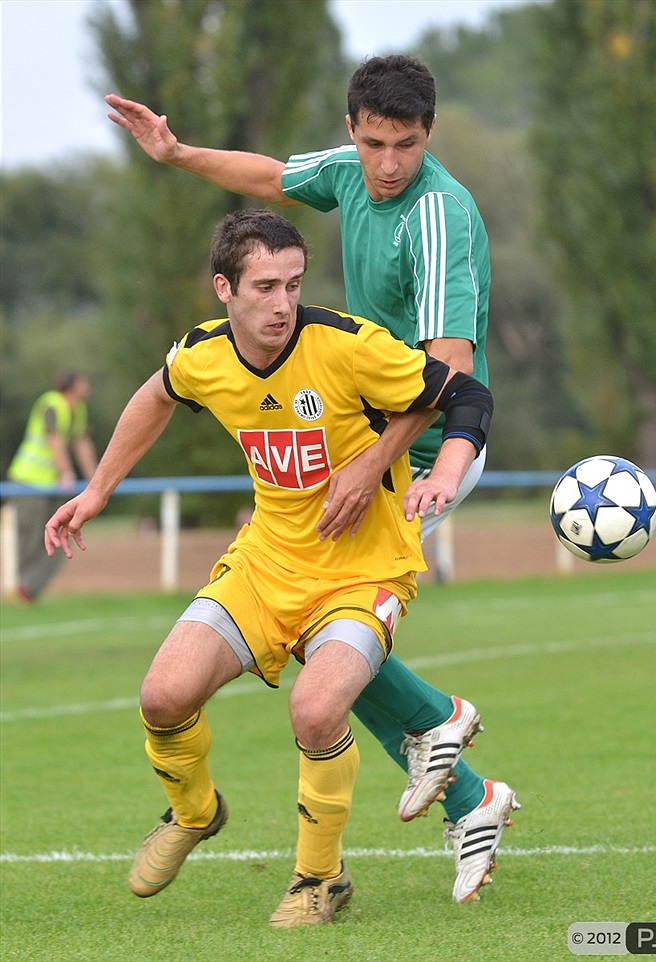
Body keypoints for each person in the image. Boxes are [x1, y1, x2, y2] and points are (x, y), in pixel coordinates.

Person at [105, 54, 519, 903]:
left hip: (423, 440)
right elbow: (271, 175)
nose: (389, 164)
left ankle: (444, 738)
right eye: (374, 144)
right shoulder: (351, 174)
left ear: (428, 137)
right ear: (353, 133)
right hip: (360, 438)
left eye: (406, 145)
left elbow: (451, 370)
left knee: (325, 619)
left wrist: (383, 464)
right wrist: (178, 154)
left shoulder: (437, 213)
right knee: (316, 623)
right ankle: (470, 794)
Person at [44, 209, 494, 927]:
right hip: (265, 563)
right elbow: (155, 395)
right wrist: (96, 490)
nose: (282, 303)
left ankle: (320, 878)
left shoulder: (347, 345)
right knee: (162, 696)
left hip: (362, 570)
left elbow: (465, 393)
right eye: (263, 287)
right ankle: (194, 813)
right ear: (225, 288)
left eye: (292, 284)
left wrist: (426, 469)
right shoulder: (203, 355)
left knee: (316, 710)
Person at [6, 371, 97, 602]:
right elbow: (53, 439)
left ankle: (28, 591)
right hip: (29, 481)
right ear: (73, 385)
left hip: (55, 485)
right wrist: (67, 472)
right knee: (30, 538)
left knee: (63, 535)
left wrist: (98, 480)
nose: (88, 386)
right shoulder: (51, 403)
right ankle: (22, 589)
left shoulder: (78, 410)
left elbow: (81, 443)